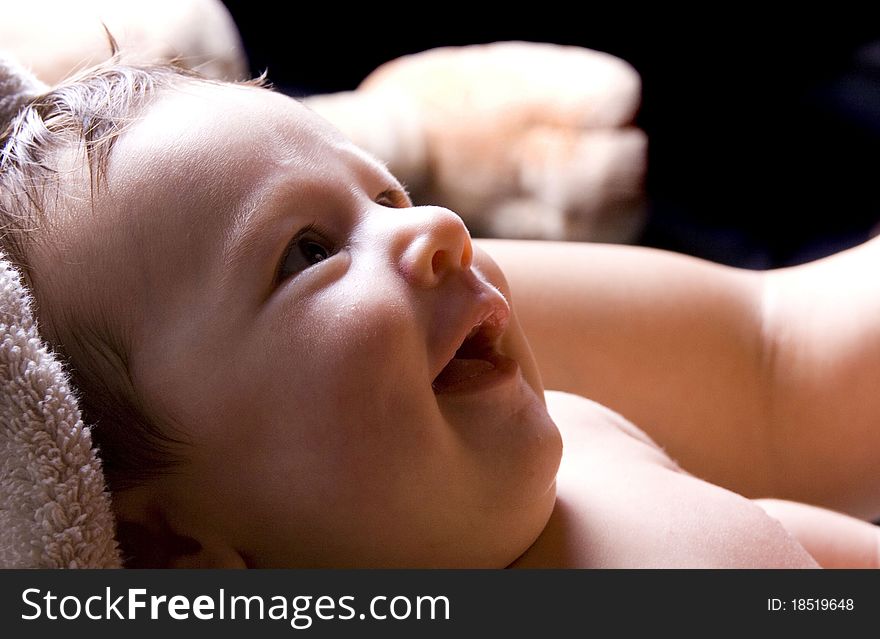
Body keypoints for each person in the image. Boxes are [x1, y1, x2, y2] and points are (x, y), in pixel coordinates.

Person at [1, 57, 878, 569]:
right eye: (309, 251)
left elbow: (777, 536)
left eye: (390, 192)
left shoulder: (590, 445)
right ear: (173, 547)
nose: (439, 225)